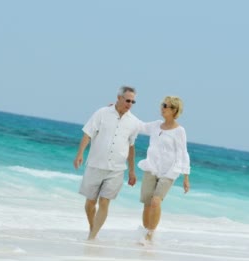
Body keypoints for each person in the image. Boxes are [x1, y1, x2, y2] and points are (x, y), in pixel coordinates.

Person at [74, 86, 142, 240]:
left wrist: (132, 171)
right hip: (95, 165)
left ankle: (92, 236)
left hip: (116, 170)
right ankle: (93, 228)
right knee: (90, 204)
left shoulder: (134, 122)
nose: (130, 104)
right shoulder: (102, 113)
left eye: (133, 101)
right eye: (127, 100)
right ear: (119, 98)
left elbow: (131, 148)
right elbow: (87, 134)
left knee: (105, 202)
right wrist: (80, 154)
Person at [138, 96, 191, 243]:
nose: (162, 108)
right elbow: (139, 126)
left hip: (169, 172)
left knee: (156, 201)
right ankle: (144, 233)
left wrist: (186, 177)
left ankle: (150, 234)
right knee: (147, 203)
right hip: (151, 168)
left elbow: (183, 153)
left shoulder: (180, 131)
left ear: (174, 110)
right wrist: (120, 111)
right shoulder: (155, 125)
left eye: (166, 106)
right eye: (162, 104)